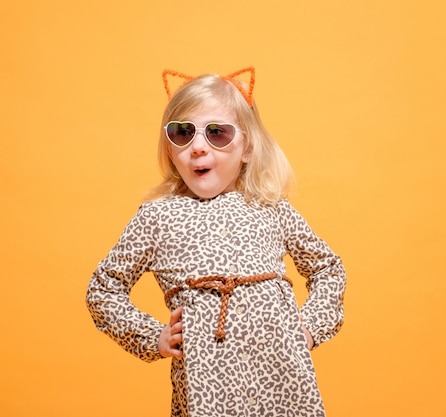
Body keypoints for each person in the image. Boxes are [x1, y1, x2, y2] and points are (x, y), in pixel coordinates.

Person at [86, 67, 347, 417]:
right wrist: (152, 337)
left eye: (217, 134)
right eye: (182, 133)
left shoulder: (270, 209)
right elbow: (103, 290)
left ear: (247, 147)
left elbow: (327, 268)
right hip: (207, 394)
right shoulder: (155, 218)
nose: (197, 148)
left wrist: (310, 328)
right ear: (169, 144)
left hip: (283, 384)